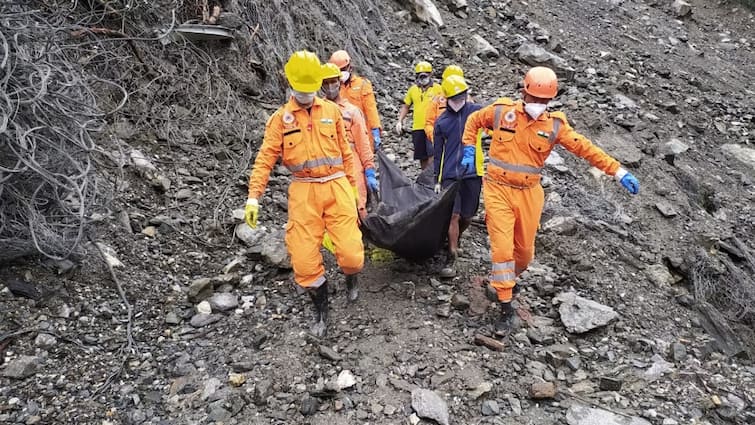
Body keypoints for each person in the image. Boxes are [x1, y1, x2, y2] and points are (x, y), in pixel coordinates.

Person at [461, 66, 640, 333]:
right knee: (501, 250)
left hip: (530, 194)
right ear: (524, 93)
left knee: (523, 255)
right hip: (497, 189)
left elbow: (584, 148)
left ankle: (504, 281)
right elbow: (474, 120)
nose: (538, 105)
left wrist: (617, 170)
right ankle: (506, 309)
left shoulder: (554, 126)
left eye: (544, 101)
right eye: (534, 99)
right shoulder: (501, 111)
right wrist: (467, 148)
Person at [244, 51, 364, 338]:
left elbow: (347, 154)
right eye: (302, 89)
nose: (307, 95)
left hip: (336, 187)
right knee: (303, 259)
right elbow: (265, 159)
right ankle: (321, 310)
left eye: (312, 90)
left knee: (351, 254)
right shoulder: (279, 121)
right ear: (291, 84)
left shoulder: (332, 112)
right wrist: (253, 196)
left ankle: (351, 278)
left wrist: (355, 190)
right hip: (303, 191)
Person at [432, 75, 483, 278]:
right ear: (446, 98)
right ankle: (451, 254)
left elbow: (493, 121)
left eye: (462, 95)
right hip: (450, 175)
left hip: (472, 172)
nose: (459, 100)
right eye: (455, 96)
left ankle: (456, 237)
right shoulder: (442, 122)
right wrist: (437, 178)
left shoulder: (475, 112)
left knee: (468, 216)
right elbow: (438, 153)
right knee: (453, 214)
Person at [320, 62, 379, 221]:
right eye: (326, 83)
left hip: (351, 160)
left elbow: (363, 143)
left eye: (333, 81)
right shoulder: (317, 111)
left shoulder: (352, 111)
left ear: (339, 82)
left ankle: (362, 239)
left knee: (357, 202)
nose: (330, 86)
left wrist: (369, 169)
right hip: (327, 162)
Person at [329, 50, 383, 151]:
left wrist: (375, 130)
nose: (341, 73)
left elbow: (371, 110)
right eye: (338, 70)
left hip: (362, 133)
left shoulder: (362, 84)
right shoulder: (332, 89)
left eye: (343, 69)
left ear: (350, 67)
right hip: (341, 135)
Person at [396, 61, 443, 169]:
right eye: (420, 74)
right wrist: (400, 121)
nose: (423, 77)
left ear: (431, 74)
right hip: (417, 128)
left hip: (433, 127)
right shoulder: (413, 90)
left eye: (425, 74)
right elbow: (406, 106)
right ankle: (424, 178)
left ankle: (432, 176)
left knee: (433, 153)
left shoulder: (438, 89)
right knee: (422, 156)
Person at [424, 64, 465, 144]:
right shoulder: (437, 100)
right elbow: (429, 123)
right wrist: (435, 137)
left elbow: (477, 122)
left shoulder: (467, 100)